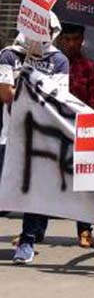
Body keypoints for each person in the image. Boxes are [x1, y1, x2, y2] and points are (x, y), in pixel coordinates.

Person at [0, 14, 69, 265]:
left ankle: (27, 240)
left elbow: (57, 99)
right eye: (37, 27)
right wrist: (36, 91)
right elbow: (5, 94)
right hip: (10, 135)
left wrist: (28, 90)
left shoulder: (59, 61)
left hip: (41, 138)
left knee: (33, 191)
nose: (42, 33)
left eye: (47, 29)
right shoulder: (9, 55)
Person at [57, 22, 94, 249]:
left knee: (83, 183)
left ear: (82, 40)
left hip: (80, 131)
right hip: (54, 130)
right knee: (47, 181)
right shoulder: (51, 65)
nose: (71, 44)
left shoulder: (90, 67)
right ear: (60, 39)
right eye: (67, 39)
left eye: (75, 39)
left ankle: (84, 230)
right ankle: (33, 232)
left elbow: (92, 104)